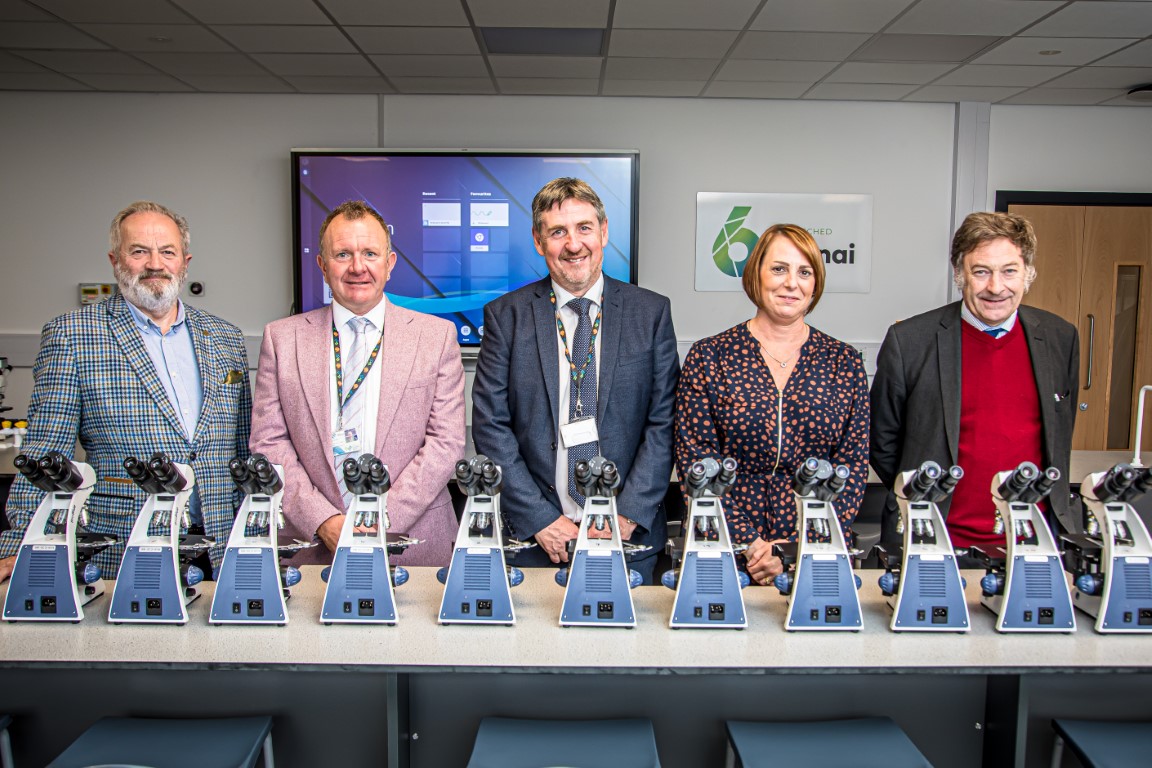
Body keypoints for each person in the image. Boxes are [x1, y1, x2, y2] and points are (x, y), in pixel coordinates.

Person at [0, 201, 251, 583]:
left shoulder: (225, 337)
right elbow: (45, 453)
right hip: (126, 545)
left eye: (167, 252)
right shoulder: (73, 335)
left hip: (221, 544)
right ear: (115, 260)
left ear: (185, 262)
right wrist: (19, 545)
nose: (155, 264)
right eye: (139, 252)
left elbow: (245, 448)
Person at [471, 177, 679, 583]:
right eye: (557, 232)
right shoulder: (506, 316)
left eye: (584, 228)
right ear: (538, 241)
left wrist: (626, 515)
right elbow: (490, 424)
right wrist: (541, 519)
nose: (573, 244)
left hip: (628, 539)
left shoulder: (650, 313)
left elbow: (665, 422)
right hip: (534, 541)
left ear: (603, 232)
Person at [250, 200, 465, 567]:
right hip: (311, 546)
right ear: (322, 265)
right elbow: (268, 443)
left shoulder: (436, 337)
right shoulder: (281, 339)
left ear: (389, 263)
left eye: (370, 253)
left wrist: (379, 520)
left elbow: (447, 444)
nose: (357, 267)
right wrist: (323, 520)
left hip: (413, 544)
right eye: (342, 254)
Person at [870, 212, 1079, 551]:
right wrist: (924, 495)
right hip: (934, 539)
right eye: (981, 271)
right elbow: (882, 441)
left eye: (1009, 271)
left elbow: (1059, 436)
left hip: (1035, 542)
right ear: (959, 273)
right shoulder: (909, 341)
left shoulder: (1060, 337)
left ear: (1028, 273)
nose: (996, 287)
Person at [675, 224, 869, 586]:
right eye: (779, 269)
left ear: (816, 284)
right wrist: (750, 545)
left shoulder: (843, 362)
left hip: (813, 548)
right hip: (723, 546)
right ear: (756, 275)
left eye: (805, 272)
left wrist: (792, 548)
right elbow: (694, 461)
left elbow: (853, 466)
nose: (791, 283)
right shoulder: (710, 356)